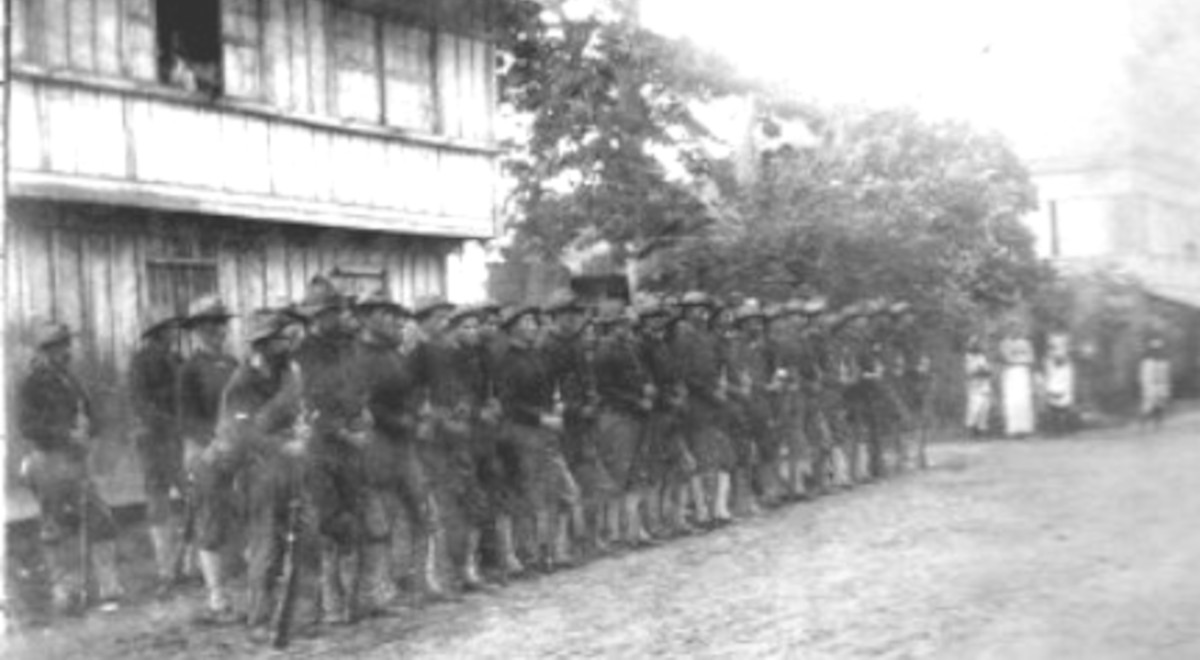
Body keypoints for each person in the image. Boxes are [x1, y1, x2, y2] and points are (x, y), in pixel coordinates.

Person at [18, 321, 125, 615]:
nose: (66, 351)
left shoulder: (70, 379)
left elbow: (90, 414)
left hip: (76, 461)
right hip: (49, 460)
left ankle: (108, 587)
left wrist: (90, 430)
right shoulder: (33, 383)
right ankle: (65, 592)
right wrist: (65, 434)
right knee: (56, 526)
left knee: (99, 519)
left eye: (66, 345)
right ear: (45, 351)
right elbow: (27, 426)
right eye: (59, 346)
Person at [291, 276, 373, 624]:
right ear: (312, 317)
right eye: (325, 313)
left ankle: (352, 598)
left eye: (336, 311)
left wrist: (363, 412)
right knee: (330, 521)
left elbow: (358, 387)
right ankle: (330, 601)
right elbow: (309, 404)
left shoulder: (347, 347)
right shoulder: (302, 354)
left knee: (353, 516)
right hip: (321, 447)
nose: (334, 318)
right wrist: (342, 431)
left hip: (351, 445)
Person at [495, 304, 582, 572]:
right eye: (527, 322)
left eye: (534, 321)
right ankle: (535, 554)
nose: (533, 326)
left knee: (561, 489)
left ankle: (556, 549)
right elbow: (509, 403)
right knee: (533, 494)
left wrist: (556, 406)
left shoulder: (539, 355)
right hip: (522, 433)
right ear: (513, 329)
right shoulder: (506, 360)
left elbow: (552, 388)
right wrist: (540, 417)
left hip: (545, 432)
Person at [177, 295, 240, 622]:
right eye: (210, 325)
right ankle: (217, 595)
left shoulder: (233, 365)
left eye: (221, 323)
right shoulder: (189, 369)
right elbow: (187, 418)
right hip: (205, 452)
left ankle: (239, 586)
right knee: (211, 519)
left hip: (236, 449)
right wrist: (213, 442)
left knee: (239, 515)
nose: (217, 330)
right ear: (197, 331)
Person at [129, 313, 185, 592]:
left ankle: (187, 562)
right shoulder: (141, 361)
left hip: (178, 438)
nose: (173, 332)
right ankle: (166, 567)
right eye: (168, 328)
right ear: (157, 332)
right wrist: (168, 423)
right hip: (154, 439)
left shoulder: (176, 360)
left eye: (173, 328)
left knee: (192, 494)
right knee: (158, 498)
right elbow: (140, 403)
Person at [999, 328, 1036, 437]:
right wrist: (1021, 357)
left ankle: (1025, 429)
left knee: (1024, 401)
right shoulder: (1004, 343)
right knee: (1011, 402)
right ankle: (1012, 430)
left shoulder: (1026, 343)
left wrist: (1017, 357)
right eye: (1011, 328)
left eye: (1016, 328)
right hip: (1010, 373)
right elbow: (1007, 358)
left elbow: (1031, 358)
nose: (1014, 331)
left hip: (1023, 373)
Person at [1041, 332, 1076, 435]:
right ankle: (1054, 426)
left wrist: (1062, 357)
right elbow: (1051, 355)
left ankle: (1064, 426)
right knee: (1052, 397)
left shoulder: (1065, 340)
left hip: (1063, 372)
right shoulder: (1050, 342)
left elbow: (1063, 356)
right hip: (1053, 371)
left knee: (1064, 398)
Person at [963, 338, 994, 439]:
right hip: (974, 386)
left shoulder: (982, 357)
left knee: (984, 409)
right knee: (973, 409)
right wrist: (982, 371)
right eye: (974, 344)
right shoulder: (968, 357)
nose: (976, 346)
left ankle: (982, 433)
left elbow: (988, 371)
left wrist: (983, 371)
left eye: (977, 344)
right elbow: (971, 372)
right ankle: (969, 432)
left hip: (984, 385)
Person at [1139, 337, 1171, 430]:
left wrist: (1166, 389)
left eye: (1159, 350)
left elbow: (1166, 377)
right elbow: (1144, 377)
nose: (1157, 352)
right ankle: (1142, 426)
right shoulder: (1147, 363)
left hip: (1161, 386)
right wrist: (1147, 389)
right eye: (1155, 350)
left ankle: (1158, 426)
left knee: (1161, 406)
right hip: (1151, 387)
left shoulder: (1164, 363)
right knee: (1147, 407)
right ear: (1151, 351)